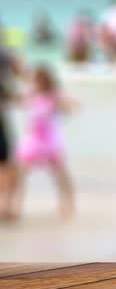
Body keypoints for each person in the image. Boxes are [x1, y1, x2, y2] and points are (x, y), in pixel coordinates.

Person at [5, 65, 77, 220]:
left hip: (50, 141)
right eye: (36, 80)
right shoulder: (31, 95)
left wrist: (63, 107)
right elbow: (16, 101)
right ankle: (16, 207)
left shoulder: (54, 96)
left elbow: (71, 107)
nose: (38, 83)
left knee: (60, 174)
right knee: (20, 173)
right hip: (33, 140)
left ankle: (67, 204)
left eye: (41, 80)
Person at [0, 29, 24, 206]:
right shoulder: (5, 54)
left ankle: (7, 204)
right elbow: (21, 72)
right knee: (7, 161)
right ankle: (6, 205)